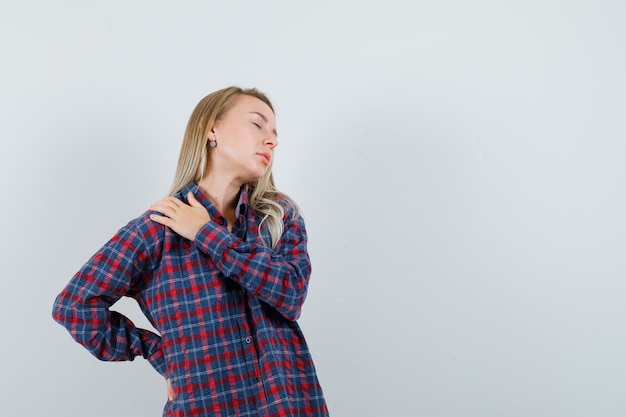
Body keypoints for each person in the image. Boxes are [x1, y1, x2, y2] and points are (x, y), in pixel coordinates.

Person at [52, 86, 329, 417]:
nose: (272, 140)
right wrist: (158, 352)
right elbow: (73, 305)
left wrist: (204, 232)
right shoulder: (156, 230)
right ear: (210, 129)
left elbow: (291, 295)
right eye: (258, 124)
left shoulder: (278, 218)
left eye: (274, 132)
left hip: (291, 406)